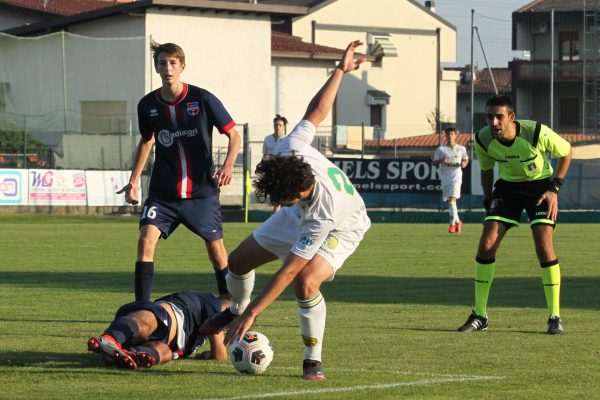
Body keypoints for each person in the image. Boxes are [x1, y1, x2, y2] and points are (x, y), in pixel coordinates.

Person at [199, 40, 371, 381]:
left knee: (306, 282)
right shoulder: (289, 148)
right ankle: (234, 309)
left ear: (296, 192)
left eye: (283, 198)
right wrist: (339, 70)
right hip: (301, 214)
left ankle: (312, 359)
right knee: (237, 261)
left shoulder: (323, 212)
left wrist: (254, 314)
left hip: (343, 226)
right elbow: (316, 112)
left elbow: (288, 271)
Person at [117, 41, 241, 301]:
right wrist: (134, 180)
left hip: (201, 193)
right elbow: (147, 140)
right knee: (145, 241)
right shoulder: (147, 105)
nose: (168, 68)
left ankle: (230, 305)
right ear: (157, 67)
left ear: (182, 66)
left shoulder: (202, 99)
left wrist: (228, 165)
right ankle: (142, 308)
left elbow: (234, 135)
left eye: (173, 63)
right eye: (162, 63)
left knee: (216, 251)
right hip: (163, 194)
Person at [457, 94, 572, 335]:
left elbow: (567, 152)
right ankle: (480, 315)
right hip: (508, 188)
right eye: (489, 117)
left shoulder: (536, 132)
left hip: (540, 187)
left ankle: (554, 317)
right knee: (486, 242)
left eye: (500, 116)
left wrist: (554, 189)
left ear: (512, 117)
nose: (494, 122)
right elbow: (487, 171)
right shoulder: (483, 139)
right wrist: (489, 201)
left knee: (543, 243)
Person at [87, 291, 230, 369]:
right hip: (158, 316)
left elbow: (216, 355)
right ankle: (110, 339)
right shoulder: (212, 302)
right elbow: (221, 355)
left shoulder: (198, 339)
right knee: (146, 325)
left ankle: (131, 355)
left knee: (165, 353)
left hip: (163, 342)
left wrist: (207, 354)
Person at [432, 127, 469, 233]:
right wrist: (440, 160)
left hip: (456, 178)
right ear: (445, 135)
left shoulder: (461, 148)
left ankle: (452, 224)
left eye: (452, 134)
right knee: (450, 203)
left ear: (455, 135)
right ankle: (458, 222)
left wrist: (463, 164)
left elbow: (465, 159)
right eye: (448, 134)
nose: (450, 136)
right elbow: (434, 163)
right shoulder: (441, 149)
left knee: (453, 200)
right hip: (445, 178)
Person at [262, 114, 289, 213]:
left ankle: (276, 217)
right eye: (276, 125)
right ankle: (276, 217)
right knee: (275, 198)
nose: (277, 127)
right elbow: (264, 156)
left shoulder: (287, 139)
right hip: (271, 172)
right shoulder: (267, 139)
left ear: (284, 126)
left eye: (280, 125)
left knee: (281, 198)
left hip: (283, 172)